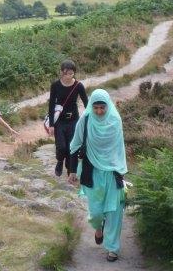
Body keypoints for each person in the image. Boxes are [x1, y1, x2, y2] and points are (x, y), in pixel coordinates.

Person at [68, 89, 128, 262]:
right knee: (96, 213)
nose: (99, 112)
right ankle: (98, 227)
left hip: (112, 172)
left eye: (103, 108)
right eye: (96, 108)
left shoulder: (115, 121)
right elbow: (74, 145)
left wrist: (119, 168)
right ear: (91, 108)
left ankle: (113, 248)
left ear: (108, 106)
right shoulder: (85, 121)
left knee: (114, 212)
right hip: (92, 171)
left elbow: (118, 148)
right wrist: (72, 170)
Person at [48, 60, 88, 177]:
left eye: (71, 73)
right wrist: (51, 125)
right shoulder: (55, 85)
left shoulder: (78, 86)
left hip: (74, 120)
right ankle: (60, 161)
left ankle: (71, 169)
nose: (68, 76)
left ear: (74, 73)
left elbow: (87, 103)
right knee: (61, 146)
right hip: (59, 121)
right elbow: (51, 105)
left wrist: (91, 118)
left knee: (72, 146)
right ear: (61, 72)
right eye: (65, 73)